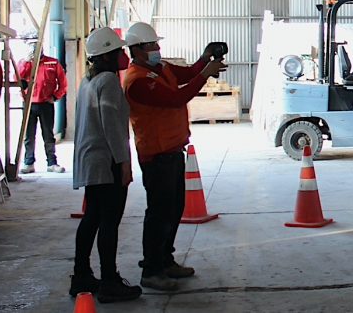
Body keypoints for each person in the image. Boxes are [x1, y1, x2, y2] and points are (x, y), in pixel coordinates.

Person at [123, 22, 226, 291]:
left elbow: (188, 73)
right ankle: (151, 270)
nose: (157, 49)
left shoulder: (161, 68)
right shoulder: (138, 82)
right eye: (151, 46)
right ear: (136, 50)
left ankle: (165, 260)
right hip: (155, 155)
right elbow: (177, 98)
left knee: (174, 208)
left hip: (173, 150)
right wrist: (206, 74)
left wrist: (205, 58)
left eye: (157, 44)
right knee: (158, 212)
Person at [70, 27, 142, 303]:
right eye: (119, 51)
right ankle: (110, 280)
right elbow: (113, 127)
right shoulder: (109, 82)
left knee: (92, 218)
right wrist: (123, 163)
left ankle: (81, 275)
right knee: (109, 222)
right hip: (106, 162)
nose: (124, 54)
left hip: (91, 162)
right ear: (107, 56)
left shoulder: (88, 81)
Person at [17, 34, 67, 173]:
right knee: (28, 135)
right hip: (28, 104)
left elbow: (63, 84)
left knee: (48, 135)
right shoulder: (24, 63)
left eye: (37, 46)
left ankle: (52, 163)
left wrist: (55, 97)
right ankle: (28, 162)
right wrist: (28, 62)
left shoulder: (52, 63)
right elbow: (17, 79)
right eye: (32, 46)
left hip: (46, 104)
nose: (35, 49)